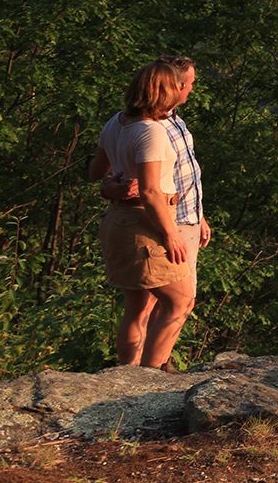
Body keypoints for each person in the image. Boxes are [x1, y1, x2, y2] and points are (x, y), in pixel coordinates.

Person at [89, 56, 209, 369]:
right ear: (163, 91)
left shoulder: (115, 123)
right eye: (179, 86)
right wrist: (170, 235)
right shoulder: (152, 132)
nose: (185, 90)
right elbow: (151, 191)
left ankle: (127, 373)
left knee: (136, 305)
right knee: (180, 301)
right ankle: (152, 377)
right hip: (146, 224)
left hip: (121, 220)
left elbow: (95, 171)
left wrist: (111, 185)